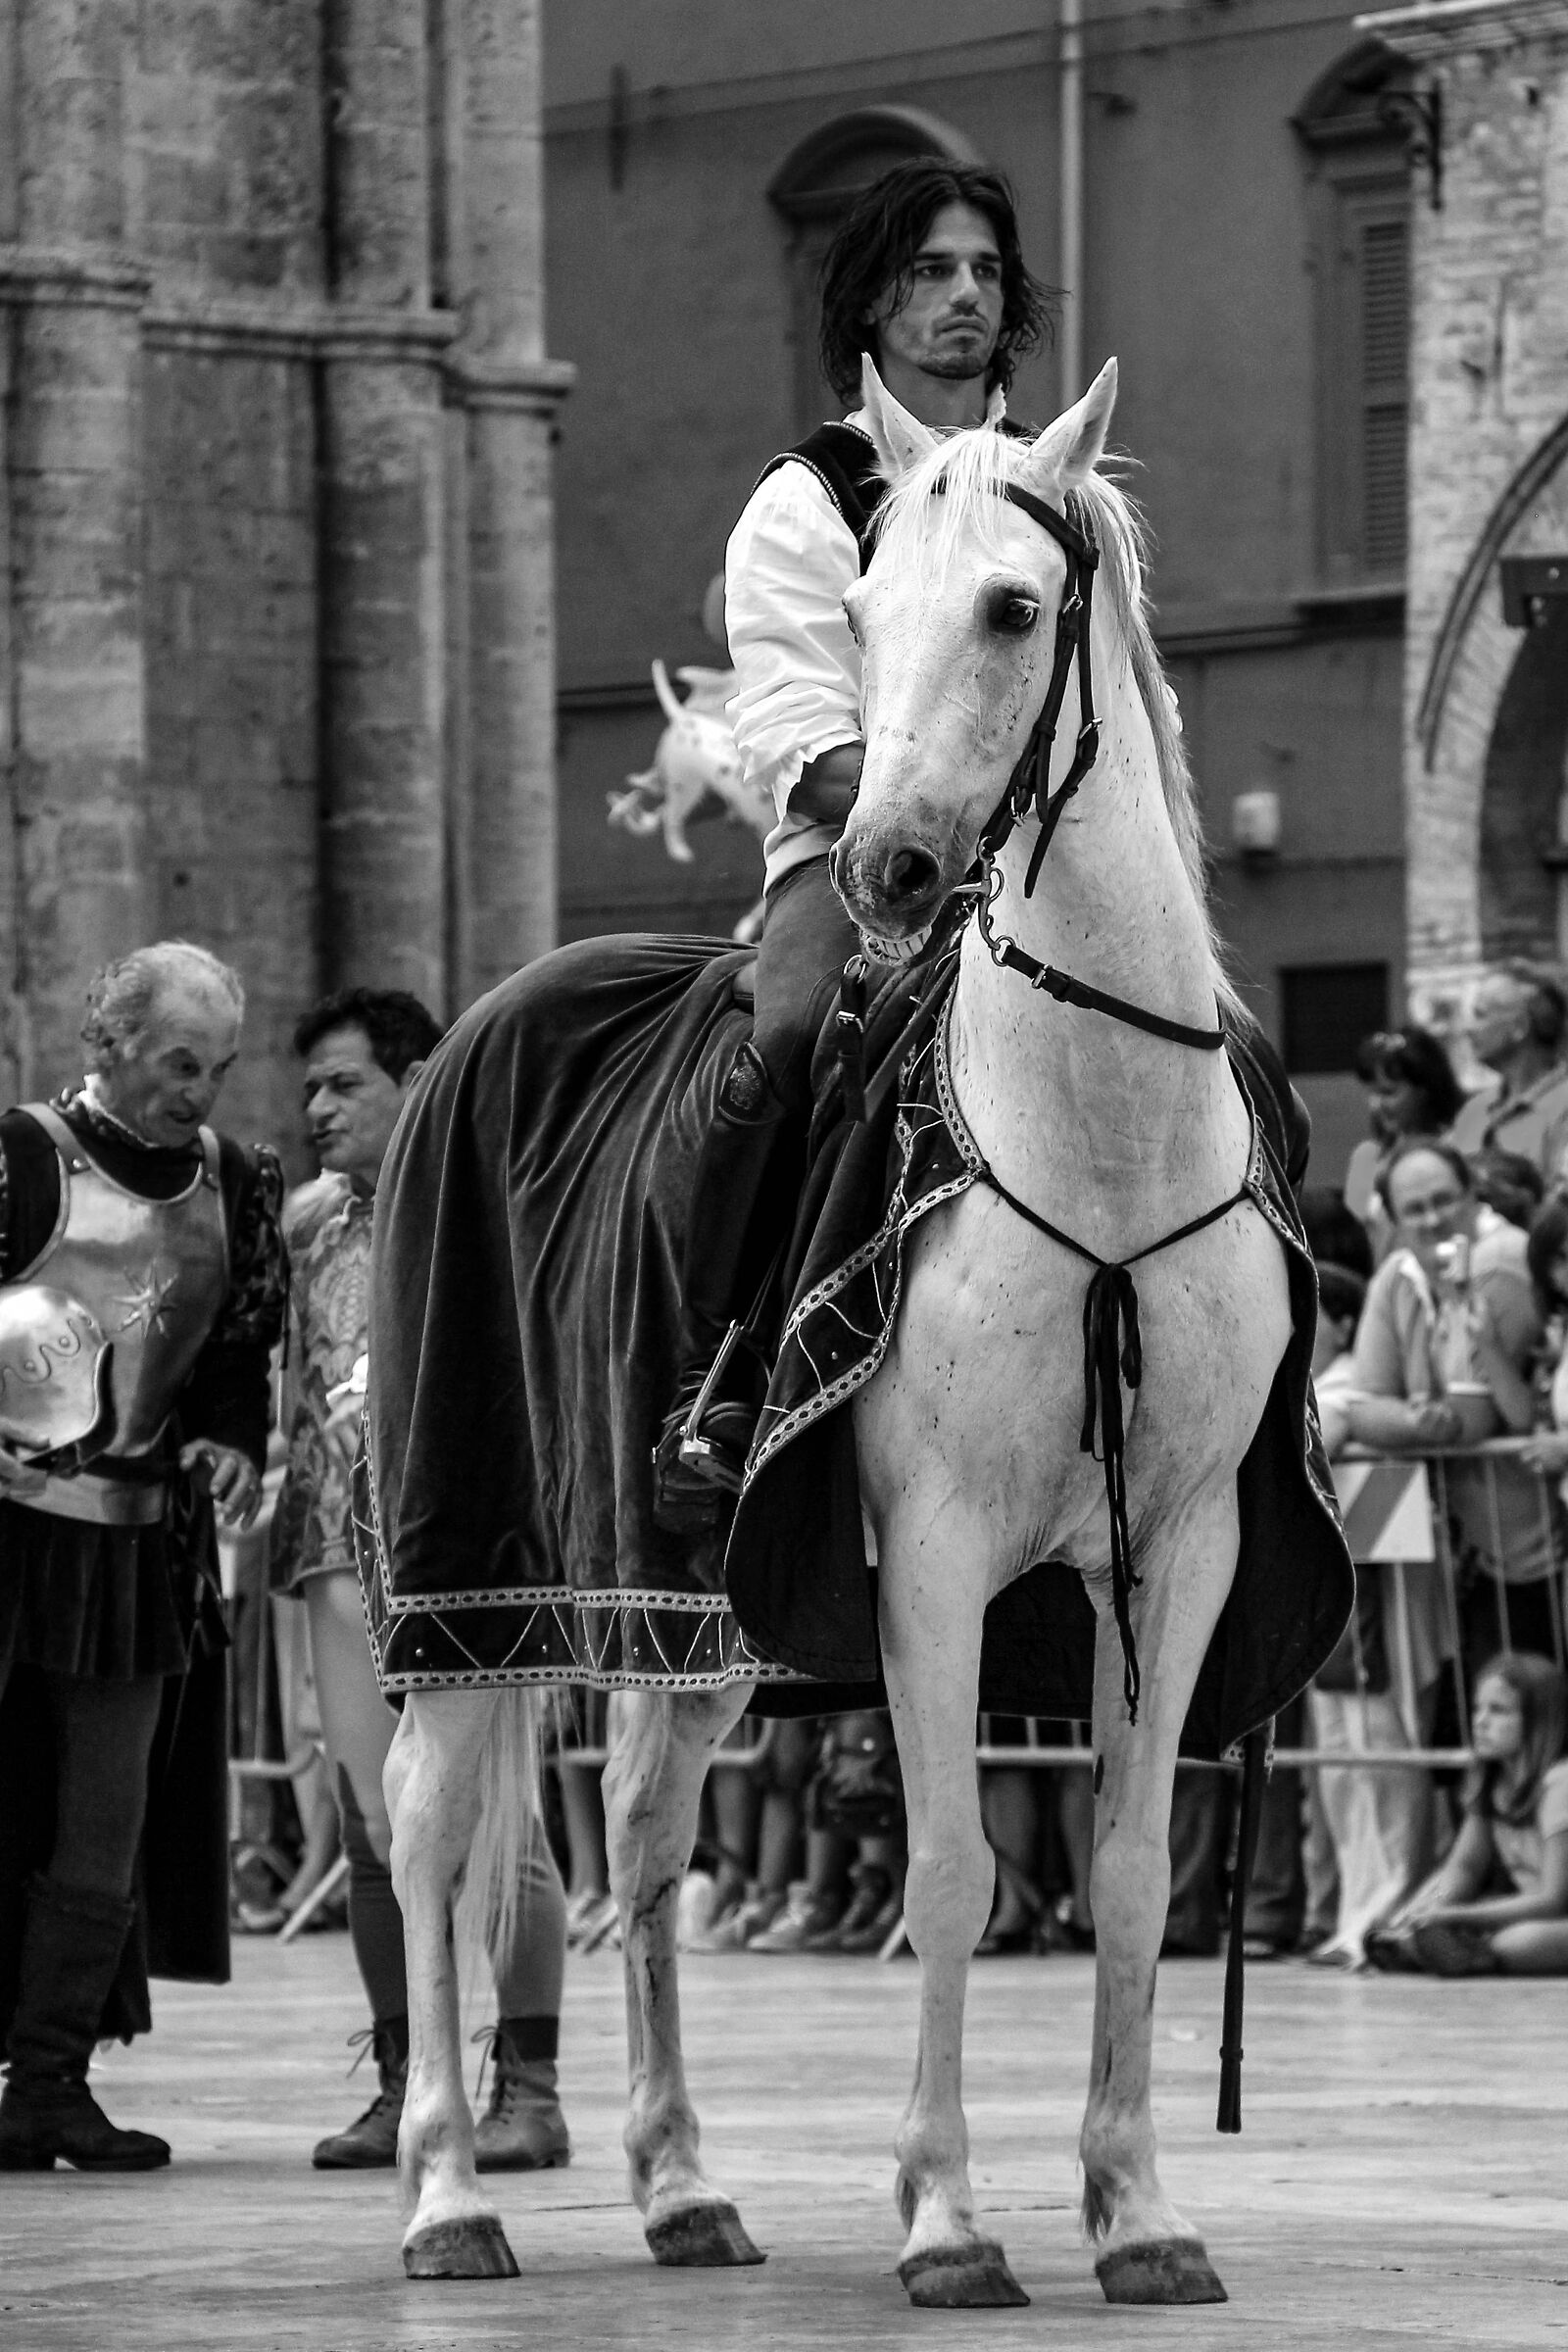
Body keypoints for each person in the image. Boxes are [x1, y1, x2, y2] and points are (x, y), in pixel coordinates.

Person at [653, 157, 1054, 1521]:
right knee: (781, 1044)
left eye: (985, 271)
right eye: (930, 271)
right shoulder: (806, 495)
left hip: (1047, 868)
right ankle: (718, 1377)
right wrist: (944, 825)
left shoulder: (1051, 489)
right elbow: (792, 742)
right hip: (854, 871)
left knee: (1221, 1050)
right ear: (871, 304)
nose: (963, 298)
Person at [270, 989, 570, 2171]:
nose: (317, 1110)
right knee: (367, 1830)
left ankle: (531, 2092)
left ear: (417, 1078)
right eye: (308, 1091)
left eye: (344, 1084)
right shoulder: (304, 1225)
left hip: (469, 1545)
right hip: (335, 1550)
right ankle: (406, 2080)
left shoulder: (486, 1202)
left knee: (503, 1826)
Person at [0, 943, 285, 2171]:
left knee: (102, 1826)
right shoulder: (14, 1158)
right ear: (105, 1039)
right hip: (7, 1533)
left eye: (217, 1069)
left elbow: (233, 1351)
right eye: (180, 1062)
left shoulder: (236, 1182)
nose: (200, 1092)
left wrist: (229, 1439)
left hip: (133, 1547)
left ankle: (51, 2082)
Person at [1368, 1652, 1568, 1975]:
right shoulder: (1492, 1781)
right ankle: (1438, 1947)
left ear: (1540, 1720)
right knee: (1424, 1928)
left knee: (1517, 1942)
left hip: (1552, 1916)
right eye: (1477, 1708)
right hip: (1533, 1913)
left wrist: (1456, 1917)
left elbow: (1554, 1898)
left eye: (1498, 1711)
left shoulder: (1561, 1784)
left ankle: (1467, 1951)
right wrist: (1423, 1910)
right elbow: (1465, 1867)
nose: (1480, 1721)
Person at [1345, 1026, 1464, 1255]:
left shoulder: (1457, 1148)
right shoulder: (1367, 1157)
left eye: (1388, 1092)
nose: (1376, 1105)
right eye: (1372, 1093)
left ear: (1425, 1090)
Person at [1450, 963, 1568, 1185]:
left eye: (1480, 1014)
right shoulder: (1473, 1112)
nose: (1468, 1029)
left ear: (1519, 1027)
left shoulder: (1562, 1105)